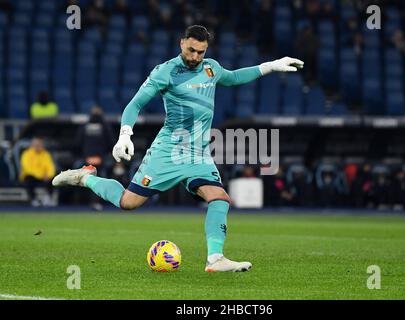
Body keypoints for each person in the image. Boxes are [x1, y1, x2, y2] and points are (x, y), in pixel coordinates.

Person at [52, 25, 304, 272]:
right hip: (169, 151)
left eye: (201, 52)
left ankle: (215, 259)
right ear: (182, 43)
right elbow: (135, 104)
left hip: (198, 154)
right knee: (128, 202)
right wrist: (125, 135)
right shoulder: (165, 72)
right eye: (192, 50)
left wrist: (270, 66)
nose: (195, 57)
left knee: (220, 198)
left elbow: (234, 77)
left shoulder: (211, 68)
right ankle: (85, 177)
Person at [75, 106, 114, 210]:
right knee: (99, 178)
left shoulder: (85, 126)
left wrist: (84, 155)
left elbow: (78, 142)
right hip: (100, 157)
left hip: (87, 157)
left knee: (85, 179)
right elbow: (111, 142)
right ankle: (96, 202)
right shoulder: (105, 126)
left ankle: (79, 201)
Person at [20, 137, 56, 206]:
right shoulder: (26, 154)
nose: (38, 146)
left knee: (53, 179)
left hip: (44, 177)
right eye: (36, 145)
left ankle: (48, 198)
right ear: (32, 145)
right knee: (28, 179)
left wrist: (48, 175)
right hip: (32, 176)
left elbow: (51, 167)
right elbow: (28, 168)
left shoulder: (46, 154)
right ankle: (33, 199)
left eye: (39, 145)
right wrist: (41, 175)